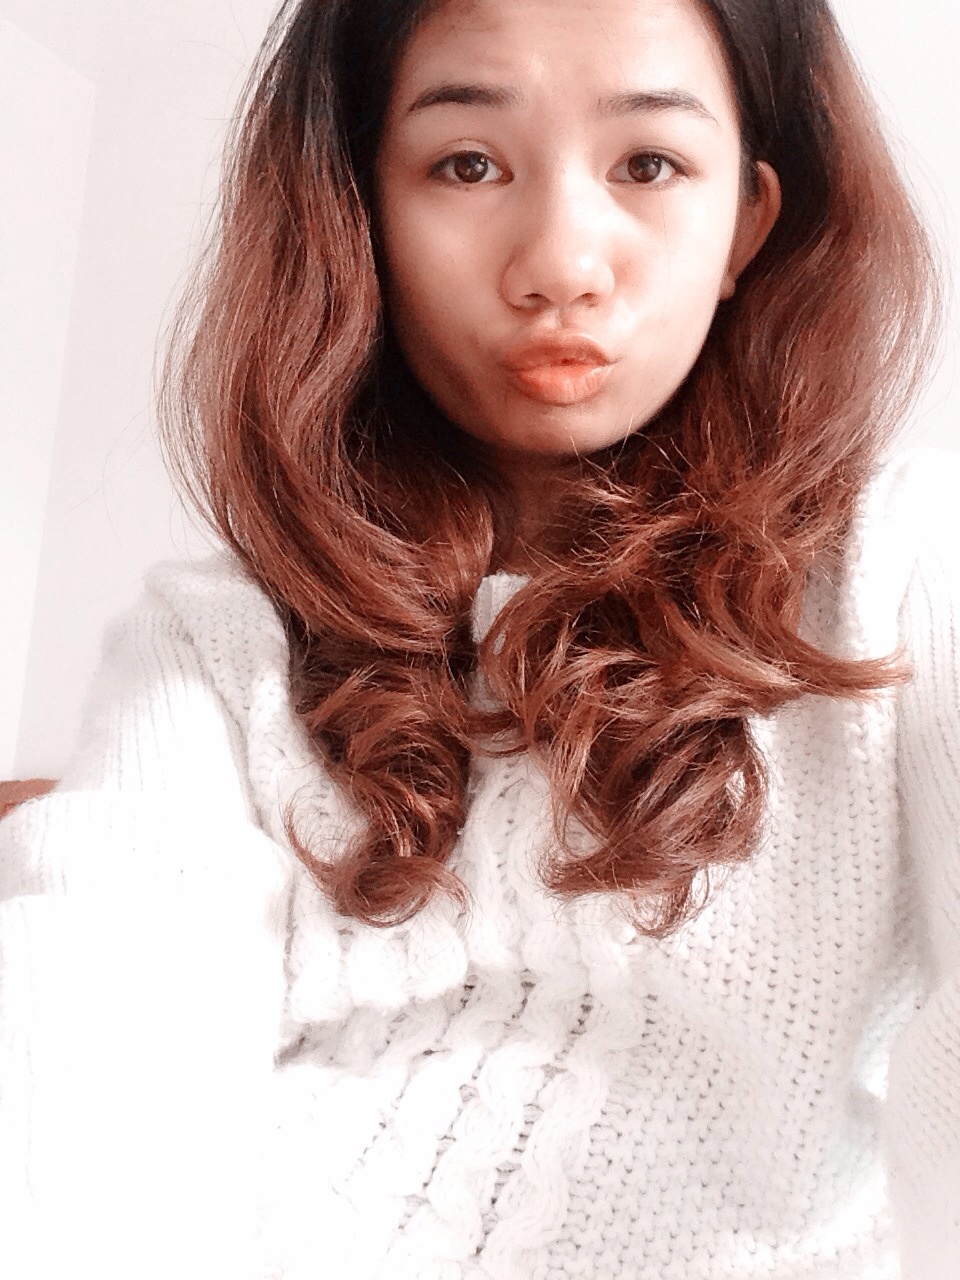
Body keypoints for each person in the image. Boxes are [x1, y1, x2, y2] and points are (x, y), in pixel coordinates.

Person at [0, 0, 957, 1275]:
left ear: (747, 221)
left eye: (648, 163)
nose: (561, 260)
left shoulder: (903, 568)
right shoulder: (217, 636)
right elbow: (86, 1049)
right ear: (365, 210)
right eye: (466, 163)